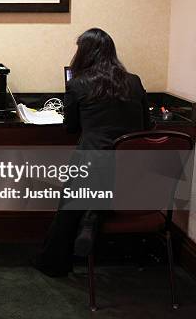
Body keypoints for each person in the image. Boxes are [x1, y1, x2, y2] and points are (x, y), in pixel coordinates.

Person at [34, 28, 151, 277]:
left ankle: (53, 263)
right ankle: (93, 216)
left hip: (92, 164)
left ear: (84, 54)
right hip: (133, 173)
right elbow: (146, 126)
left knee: (69, 206)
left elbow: (70, 128)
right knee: (105, 183)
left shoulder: (77, 83)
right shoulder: (134, 81)